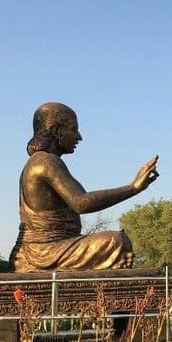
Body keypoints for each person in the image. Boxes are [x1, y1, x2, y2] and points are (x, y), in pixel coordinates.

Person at [9, 102, 159, 272]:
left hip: (57, 246)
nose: (79, 137)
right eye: (73, 129)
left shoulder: (43, 161)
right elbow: (81, 203)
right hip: (43, 251)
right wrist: (133, 188)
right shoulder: (45, 162)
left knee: (116, 241)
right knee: (116, 241)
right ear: (56, 131)